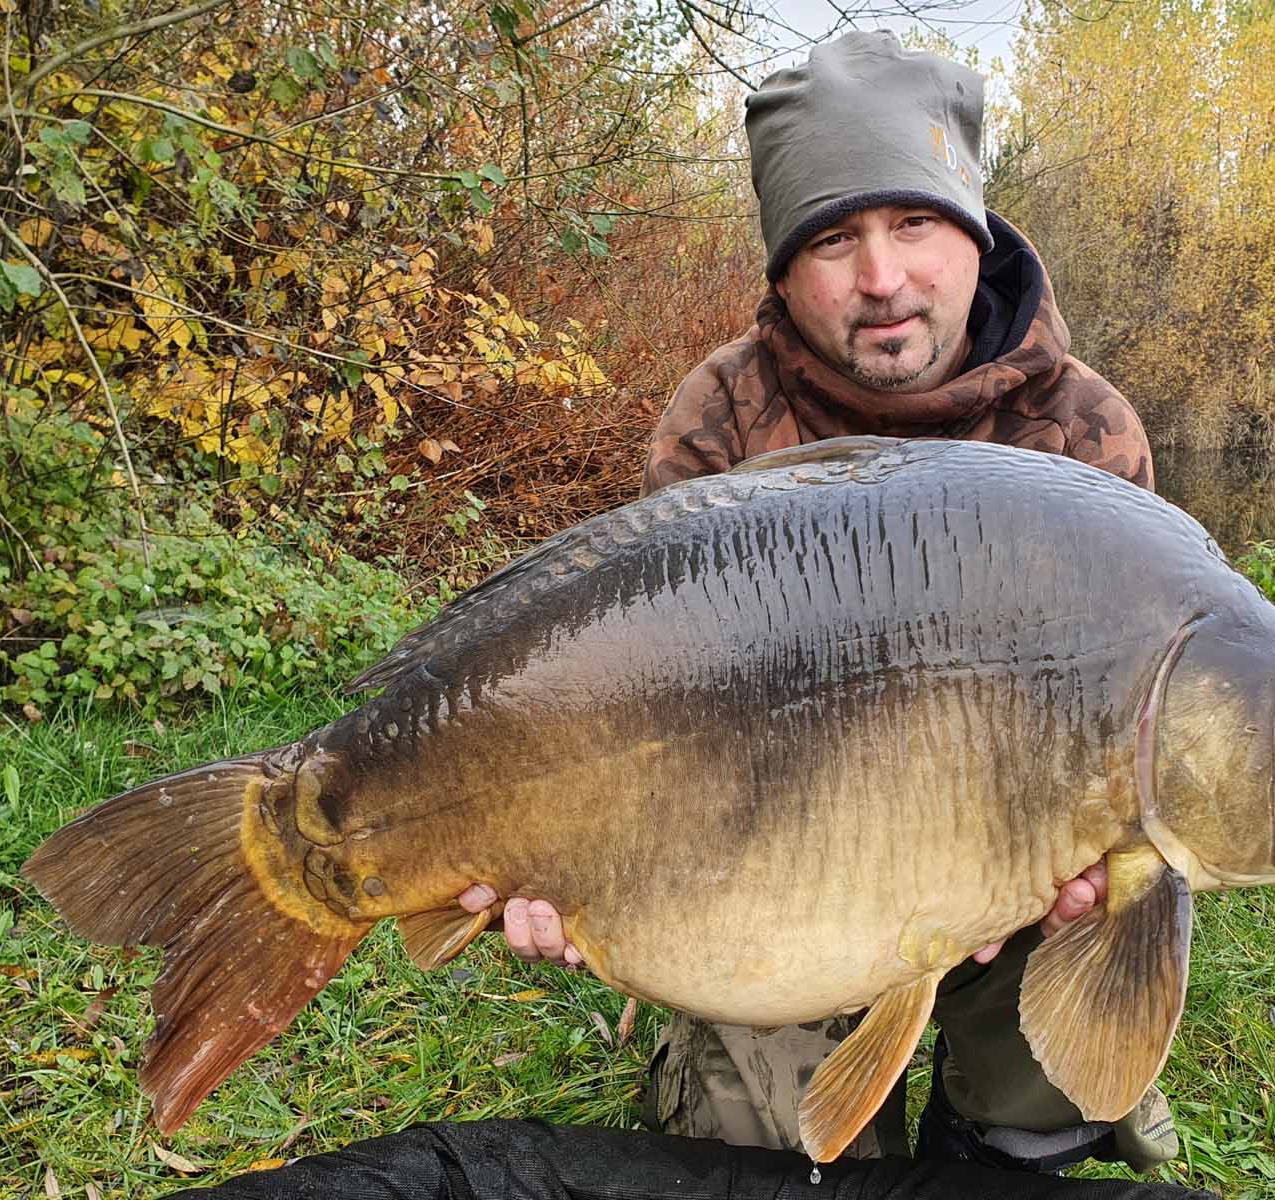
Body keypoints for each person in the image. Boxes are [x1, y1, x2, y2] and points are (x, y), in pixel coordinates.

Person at [455, 30, 1176, 1177]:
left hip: (1014, 850)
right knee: (768, 1149)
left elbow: (1145, 710)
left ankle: (999, 1131)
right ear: (783, 270)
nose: (881, 278)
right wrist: (574, 858)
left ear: (975, 239)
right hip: (781, 850)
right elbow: (649, 699)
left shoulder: (1084, 433)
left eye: (915, 225)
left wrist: (1096, 855)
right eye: (833, 239)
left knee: (1051, 1077)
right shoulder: (721, 419)